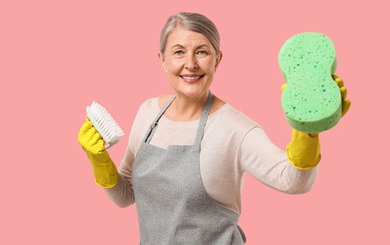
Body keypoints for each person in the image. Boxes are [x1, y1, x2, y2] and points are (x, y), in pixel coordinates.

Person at [78, 12, 350, 244]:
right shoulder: (148, 113)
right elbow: (127, 196)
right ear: (162, 59)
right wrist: (99, 160)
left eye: (202, 52)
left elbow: (293, 182)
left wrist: (306, 129)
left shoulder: (234, 128)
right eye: (178, 52)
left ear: (217, 60)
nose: (191, 64)